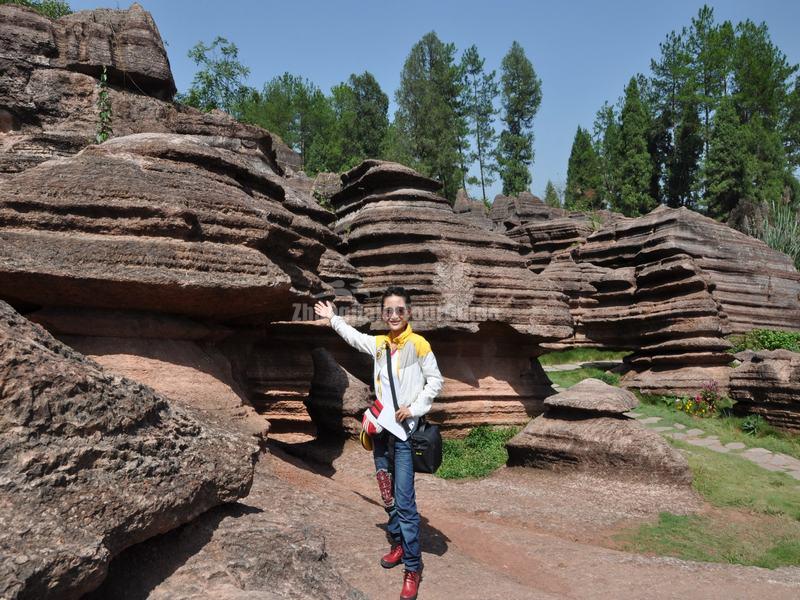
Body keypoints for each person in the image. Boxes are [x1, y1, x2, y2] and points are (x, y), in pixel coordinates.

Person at [314, 286, 443, 600]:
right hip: (380, 433)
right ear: (383, 315)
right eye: (389, 311)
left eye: (400, 310)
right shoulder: (381, 345)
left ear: (408, 313)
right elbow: (356, 338)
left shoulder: (418, 344)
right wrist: (333, 319)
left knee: (406, 502)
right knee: (387, 496)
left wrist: (414, 408)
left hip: (404, 435)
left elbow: (436, 380)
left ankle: (412, 568)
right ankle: (398, 544)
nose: (394, 315)